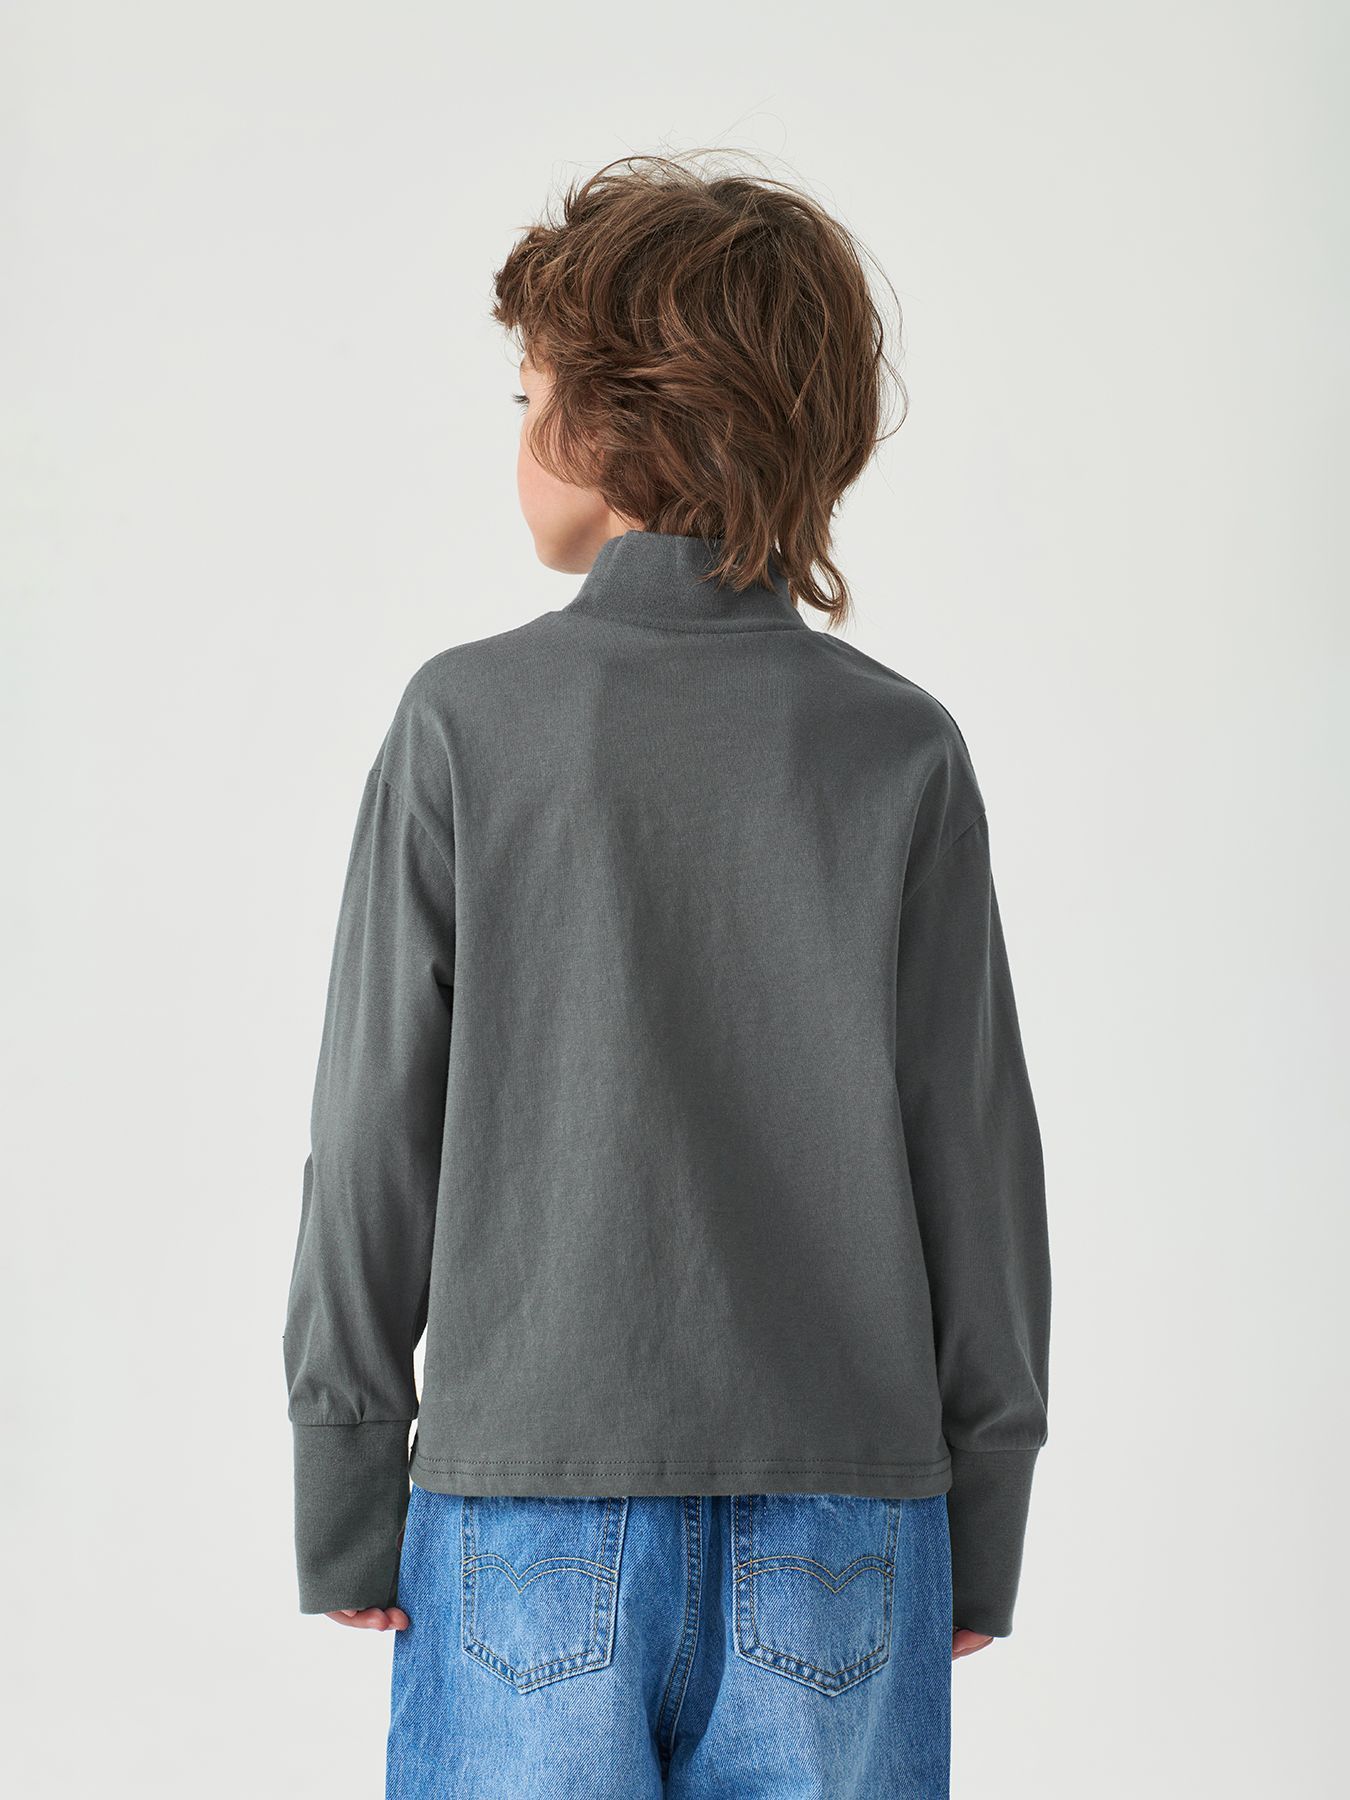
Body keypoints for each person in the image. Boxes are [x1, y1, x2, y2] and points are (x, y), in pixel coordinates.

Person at [283, 150, 1051, 1799]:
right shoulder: (896, 749)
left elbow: (371, 1131)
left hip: (523, 1510)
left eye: (527, 395)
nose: (516, 434)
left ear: (608, 421)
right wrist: (983, 1502)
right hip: (848, 1515)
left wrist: (344, 1466)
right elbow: (976, 1160)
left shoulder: (466, 722)